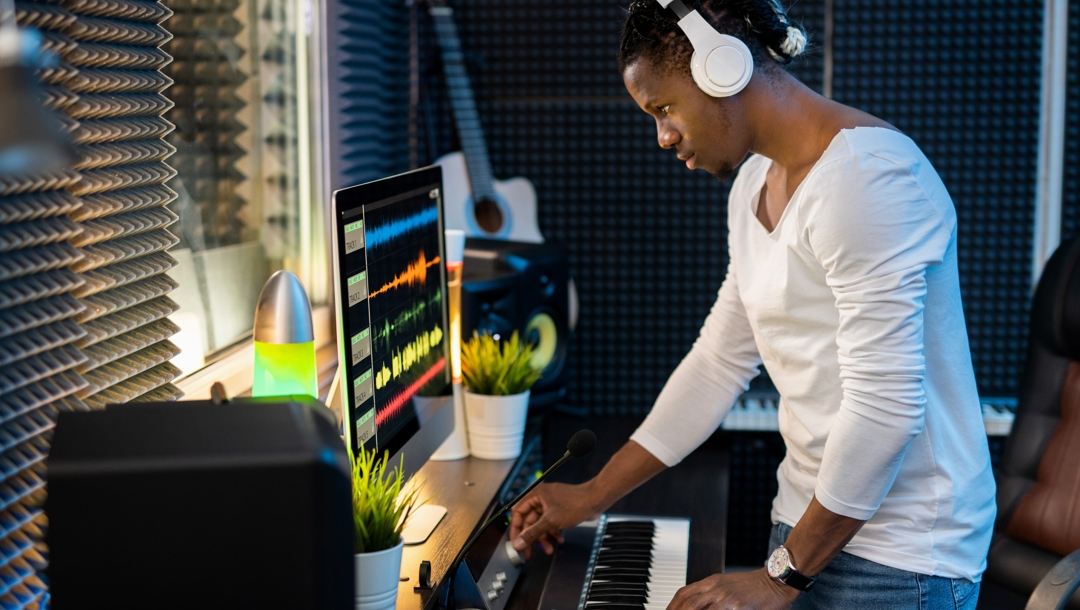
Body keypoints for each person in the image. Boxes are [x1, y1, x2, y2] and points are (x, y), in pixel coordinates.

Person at [508, 1, 997, 608]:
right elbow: (718, 363)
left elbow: (887, 409)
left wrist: (780, 578)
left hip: (901, 558)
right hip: (805, 526)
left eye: (663, 109)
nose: (662, 137)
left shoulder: (867, 179)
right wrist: (591, 494)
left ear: (721, 68)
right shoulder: (751, 186)